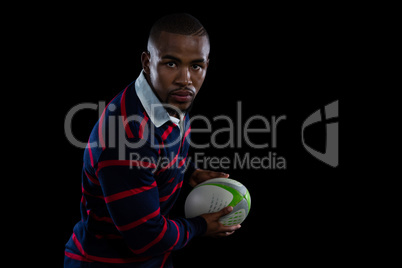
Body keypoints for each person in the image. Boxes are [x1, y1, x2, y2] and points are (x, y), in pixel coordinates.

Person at [64, 13, 241, 267]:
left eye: (196, 66)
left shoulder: (171, 97)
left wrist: (186, 172)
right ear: (147, 62)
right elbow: (146, 238)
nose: (185, 79)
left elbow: (157, 157)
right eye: (171, 64)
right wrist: (201, 226)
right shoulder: (126, 137)